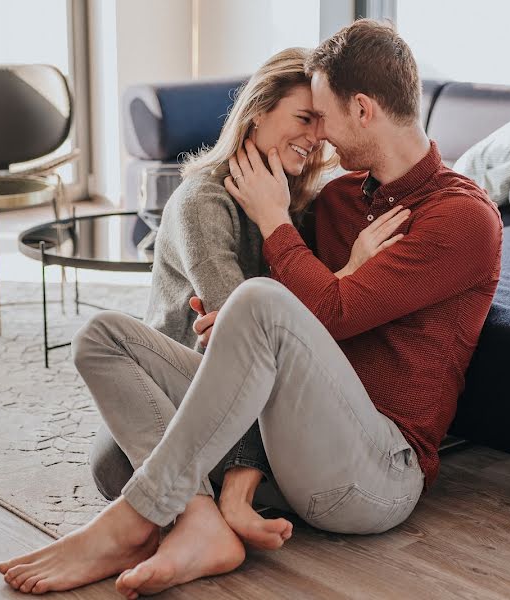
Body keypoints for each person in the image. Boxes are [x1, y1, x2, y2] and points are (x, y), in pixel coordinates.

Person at [0, 19, 503, 598]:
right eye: (306, 117)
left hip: (375, 473)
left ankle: (132, 522)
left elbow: (325, 311)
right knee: (103, 346)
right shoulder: (337, 200)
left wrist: (273, 233)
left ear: (362, 109)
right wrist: (263, 317)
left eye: (325, 116)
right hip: (291, 447)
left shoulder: (461, 217)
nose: (323, 140)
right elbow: (303, 325)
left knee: (256, 300)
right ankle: (201, 521)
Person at [89, 47, 335, 524]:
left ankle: (209, 502)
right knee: (113, 465)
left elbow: (300, 336)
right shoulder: (202, 200)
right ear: (259, 111)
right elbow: (243, 333)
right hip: (179, 385)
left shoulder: (298, 207)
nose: (315, 138)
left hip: (253, 398)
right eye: (304, 118)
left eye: (322, 126)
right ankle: (216, 505)